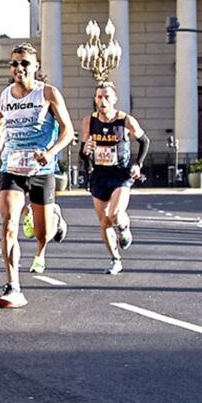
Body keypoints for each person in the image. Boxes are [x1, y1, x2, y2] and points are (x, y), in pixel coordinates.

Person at [0, 43, 74, 308]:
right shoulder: (3, 97)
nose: (19, 68)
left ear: (36, 67)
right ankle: (13, 286)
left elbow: (68, 131)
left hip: (41, 170)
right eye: (14, 63)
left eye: (25, 63)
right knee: (8, 223)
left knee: (43, 233)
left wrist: (50, 152)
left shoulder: (48, 94)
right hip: (12, 168)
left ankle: (54, 218)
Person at [80, 82, 150, 275]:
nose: (102, 101)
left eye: (107, 97)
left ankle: (124, 226)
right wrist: (86, 152)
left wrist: (138, 164)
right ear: (95, 99)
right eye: (99, 97)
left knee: (115, 214)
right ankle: (115, 259)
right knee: (104, 221)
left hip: (120, 174)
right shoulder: (89, 121)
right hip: (99, 175)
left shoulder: (125, 120)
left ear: (115, 99)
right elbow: (83, 152)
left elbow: (144, 141)